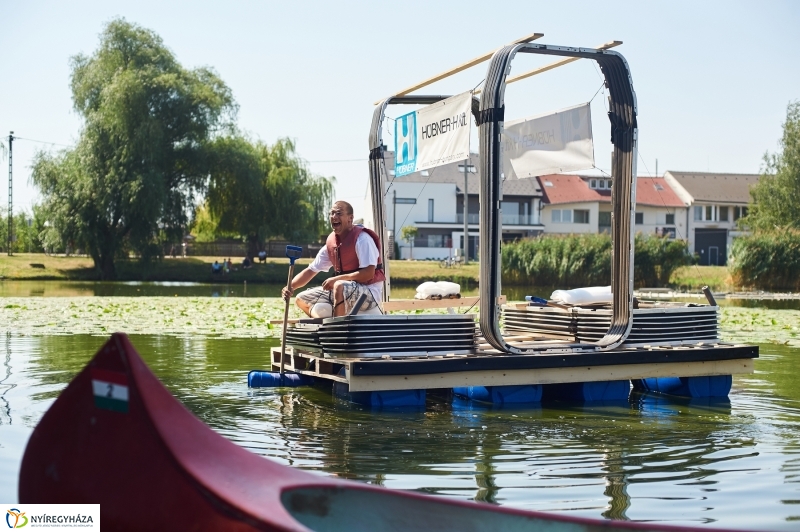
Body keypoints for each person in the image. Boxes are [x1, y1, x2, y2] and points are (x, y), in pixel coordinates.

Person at [282, 200, 385, 317]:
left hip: (369, 294)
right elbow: (311, 270)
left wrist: (337, 279)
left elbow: (368, 274)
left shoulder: (363, 239)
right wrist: (290, 287)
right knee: (301, 299)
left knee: (339, 285)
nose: (334, 217)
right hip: (343, 290)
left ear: (350, 218)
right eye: (332, 213)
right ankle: (331, 321)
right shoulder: (332, 243)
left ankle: (338, 326)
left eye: (339, 213)